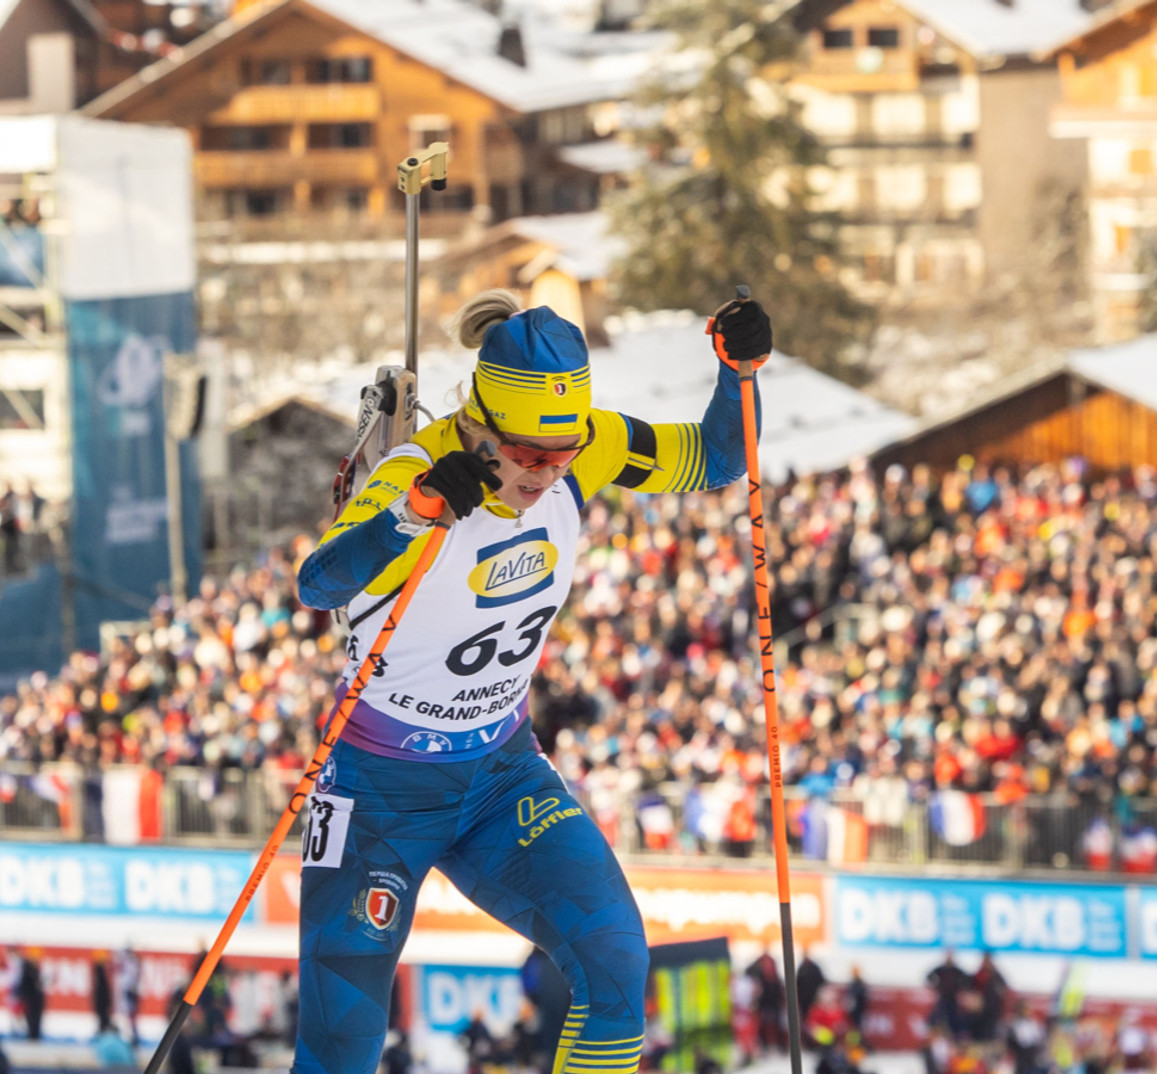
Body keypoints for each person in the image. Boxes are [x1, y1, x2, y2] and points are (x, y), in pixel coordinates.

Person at [291, 289, 769, 1074]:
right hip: (381, 789)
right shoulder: (415, 472)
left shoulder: (589, 446)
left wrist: (739, 371)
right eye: (528, 458)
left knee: (616, 961)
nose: (549, 476)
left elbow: (718, 456)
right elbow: (319, 583)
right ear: (480, 428)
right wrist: (414, 513)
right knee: (341, 1043)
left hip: (498, 774)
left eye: (566, 456)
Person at [749, 947, 787, 1055]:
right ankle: (766, 1045)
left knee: (775, 1025)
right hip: (765, 1005)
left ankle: (776, 1045)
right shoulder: (760, 977)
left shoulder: (775, 979)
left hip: (774, 1004)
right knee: (765, 1025)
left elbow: (780, 991)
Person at [927, 950, 971, 1039]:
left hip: (953, 999)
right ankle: (937, 1038)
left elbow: (967, 980)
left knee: (954, 1019)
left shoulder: (956, 970)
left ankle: (954, 1038)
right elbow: (929, 976)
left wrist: (962, 988)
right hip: (943, 998)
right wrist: (935, 986)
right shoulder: (941, 969)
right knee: (938, 1017)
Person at [14, 948, 46, 1042]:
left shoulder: (35, 969)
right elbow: (23, 985)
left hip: (36, 999)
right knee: (31, 1019)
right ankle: (32, 1037)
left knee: (36, 1020)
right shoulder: (27, 969)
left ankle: (35, 1037)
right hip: (30, 999)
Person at [795, 948, 827, 1026]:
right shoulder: (802, 967)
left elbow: (821, 981)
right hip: (804, 998)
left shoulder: (812, 967)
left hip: (813, 998)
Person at [844, 965, 870, 1046]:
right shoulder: (854, 983)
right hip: (854, 1010)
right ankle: (853, 1044)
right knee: (853, 1027)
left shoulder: (860, 984)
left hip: (858, 1010)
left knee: (856, 1028)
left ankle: (855, 1044)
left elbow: (861, 998)